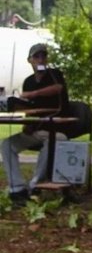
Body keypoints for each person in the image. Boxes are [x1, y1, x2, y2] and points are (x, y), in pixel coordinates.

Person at [1, 43, 69, 203]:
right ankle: (17, 188)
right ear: (29, 60)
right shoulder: (29, 81)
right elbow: (28, 106)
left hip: (56, 129)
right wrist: (27, 122)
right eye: (36, 56)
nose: (40, 59)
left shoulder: (54, 74)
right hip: (37, 130)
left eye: (43, 56)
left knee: (55, 140)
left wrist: (33, 94)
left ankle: (35, 185)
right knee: (6, 145)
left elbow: (57, 88)